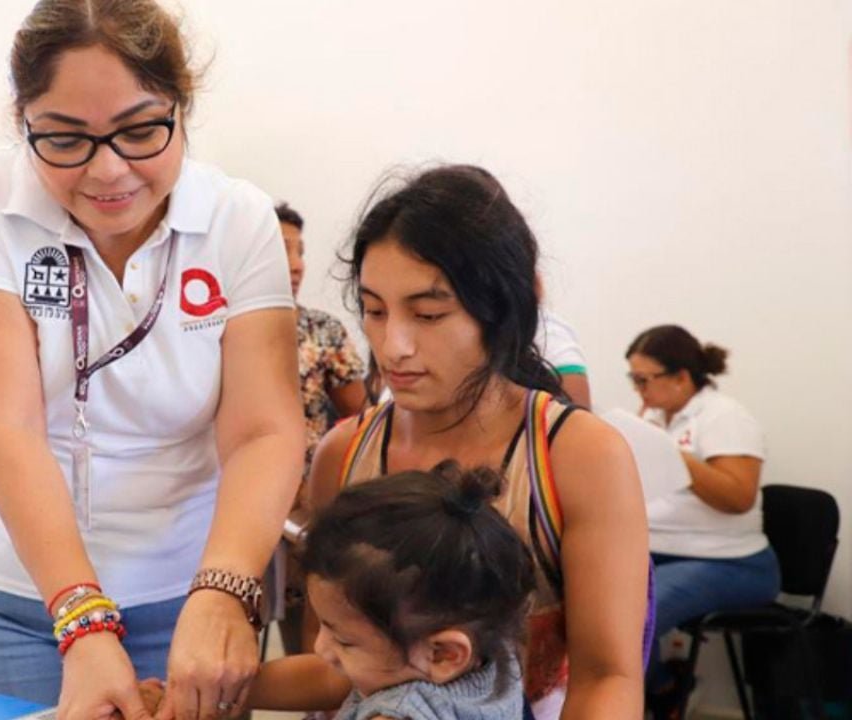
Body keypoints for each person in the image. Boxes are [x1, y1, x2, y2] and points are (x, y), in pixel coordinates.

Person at [0, 1, 305, 716]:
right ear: (24, 124)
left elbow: (264, 428)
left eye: (140, 131)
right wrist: (78, 612)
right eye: (65, 139)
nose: (108, 171)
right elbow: (0, 423)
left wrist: (225, 588)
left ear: (181, 108)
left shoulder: (238, 217)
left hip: (186, 593)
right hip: (2, 594)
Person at [308, 165, 650, 720]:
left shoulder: (579, 454)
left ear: (501, 311)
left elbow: (607, 676)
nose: (393, 346)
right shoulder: (343, 453)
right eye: (373, 311)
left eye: (428, 314)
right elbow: (335, 663)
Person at [251, 464, 533, 719]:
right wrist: (230, 689)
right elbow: (330, 679)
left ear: (443, 654)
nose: (320, 648)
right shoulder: (490, 649)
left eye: (345, 641)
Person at [624, 325, 779, 715]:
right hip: (662, 551)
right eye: (634, 379)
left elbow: (738, 497)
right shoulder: (659, 418)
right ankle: (662, 687)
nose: (639, 390)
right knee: (584, 597)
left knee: (632, 615)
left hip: (728, 562)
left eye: (645, 380)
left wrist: (672, 456)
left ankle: (656, 696)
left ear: (681, 377)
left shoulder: (724, 417)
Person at [274, 201, 366, 656]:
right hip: (235, 509)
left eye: (300, 251)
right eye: (281, 249)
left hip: (305, 515)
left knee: (310, 643)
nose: (295, 265)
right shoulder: (219, 327)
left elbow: (361, 416)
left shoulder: (322, 330)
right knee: (230, 654)